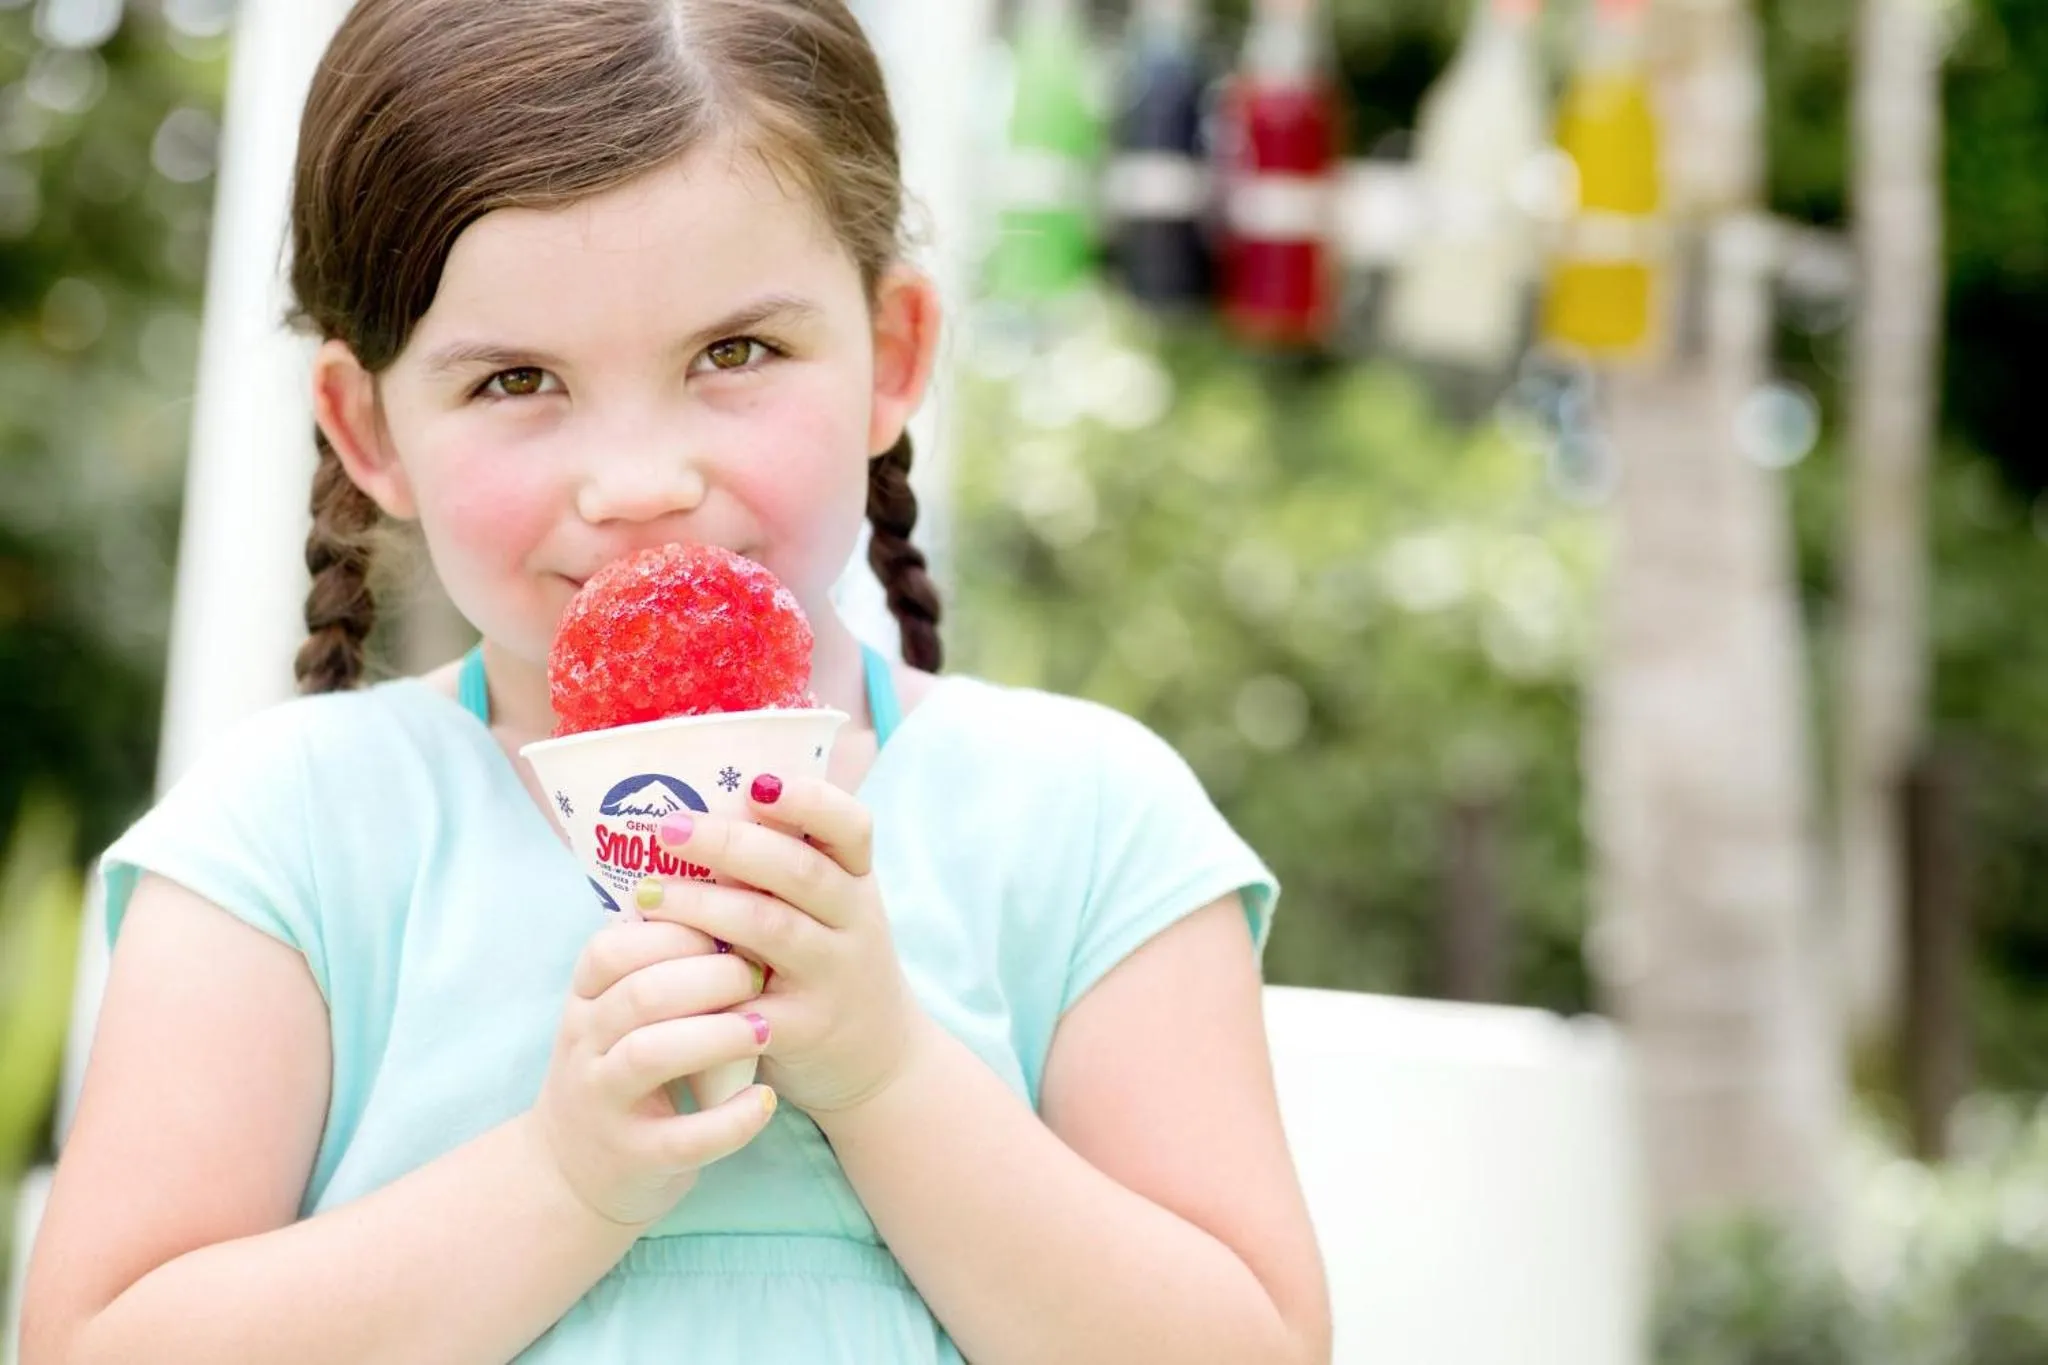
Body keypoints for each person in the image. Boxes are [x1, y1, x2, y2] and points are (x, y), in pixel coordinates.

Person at [22, 2, 1331, 1361]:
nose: (640, 483)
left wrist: (886, 1077)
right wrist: (562, 1181)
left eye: (736, 353)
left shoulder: (1083, 821)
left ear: (892, 355)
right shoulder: (291, 838)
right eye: (518, 379)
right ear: (370, 429)